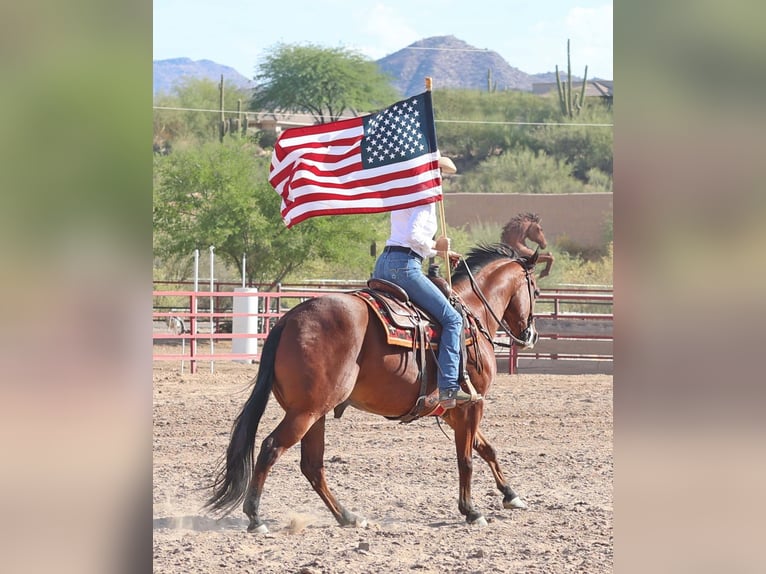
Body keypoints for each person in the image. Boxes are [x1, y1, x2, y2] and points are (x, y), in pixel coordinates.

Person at [372, 155, 482, 409]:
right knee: (453, 319)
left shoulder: (404, 193)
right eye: (439, 173)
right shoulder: (426, 196)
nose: (441, 179)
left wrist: (438, 252)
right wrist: (436, 245)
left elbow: (404, 235)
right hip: (405, 266)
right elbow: (414, 236)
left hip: (385, 262)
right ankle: (448, 388)